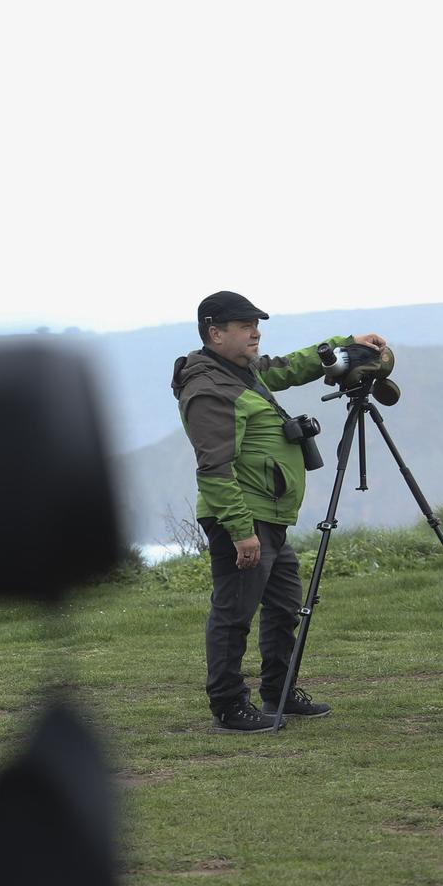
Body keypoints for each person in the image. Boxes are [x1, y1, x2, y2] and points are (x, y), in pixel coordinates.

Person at [170, 291, 387, 734]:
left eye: (257, 324)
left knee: (286, 605)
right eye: (245, 325)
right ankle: (229, 707)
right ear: (215, 333)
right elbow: (213, 468)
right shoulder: (208, 389)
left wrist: (345, 345)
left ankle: (279, 691)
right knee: (234, 612)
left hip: (268, 515)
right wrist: (240, 531)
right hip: (243, 519)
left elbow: (288, 367)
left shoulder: (244, 372)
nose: (256, 332)